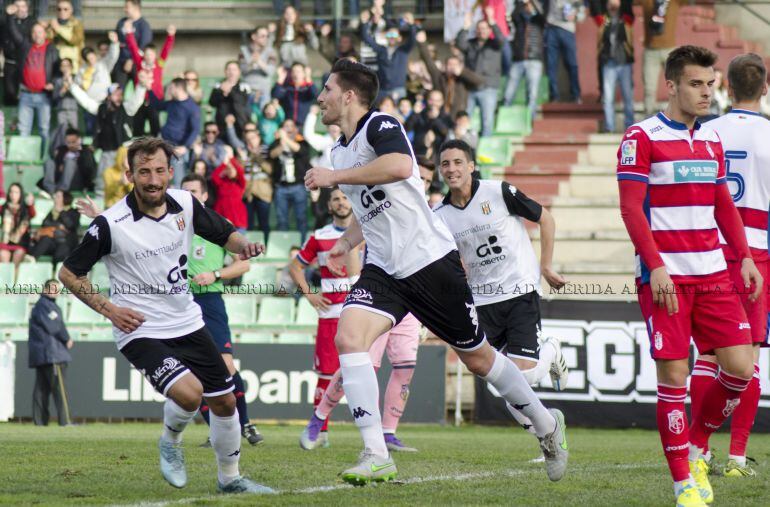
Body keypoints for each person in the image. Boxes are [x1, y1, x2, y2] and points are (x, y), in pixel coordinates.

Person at [305, 58, 568, 485]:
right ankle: (376, 453)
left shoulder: (381, 125)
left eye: (328, 89)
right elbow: (368, 208)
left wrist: (334, 177)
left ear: (349, 95)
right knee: (348, 337)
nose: (321, 97)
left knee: (479, 359)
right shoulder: (338, 149)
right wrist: (347, 242)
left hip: (430, 263)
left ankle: (546, 425)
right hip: (384, 270)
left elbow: (400, 168)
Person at [58, 137, 271, 494]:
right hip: (140, 328)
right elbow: (69, 273)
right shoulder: (110, 223)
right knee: (190, 395)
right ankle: (170, 441)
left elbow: (224, 234)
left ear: (171, 172)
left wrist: (243, 246)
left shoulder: (186, 203)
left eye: (159, 170)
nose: (153, 179)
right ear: (130, 175)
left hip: (187, 319)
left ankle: (230, 479)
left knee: (225, 399)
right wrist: (109, 310)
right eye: (144, 172)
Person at [616, 46, 761, 507]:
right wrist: (655, 265)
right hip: (667, 278)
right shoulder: (642, 137)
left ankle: (698, 442)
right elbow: (630, 209)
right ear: (672, 84)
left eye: (711, 85)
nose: (705, 93)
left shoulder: (711, 140)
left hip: (715, 273)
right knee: (674, 378)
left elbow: (724, 206)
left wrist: (744, 257)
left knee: (740, 368)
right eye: (696, 84)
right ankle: (685, 483)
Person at [434, 139, 570, 429]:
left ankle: (552, 350)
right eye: (445, 163)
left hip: (520, 288)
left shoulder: (498, 191)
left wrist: (545, 266)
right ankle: (547, 436)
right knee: (501, 383)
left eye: (458, 162)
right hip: (482, 301)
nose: (451, 168)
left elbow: (546, 219)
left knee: (527, 375)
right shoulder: (439, 217)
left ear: (471, 166)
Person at [692, 54, 770, 478]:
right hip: (755, 252)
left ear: (726, 86)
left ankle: (698, 449)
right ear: (764, 88)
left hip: (708, 249)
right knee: (750, 356)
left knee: (707, 355)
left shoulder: (706, 130)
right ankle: (738, 458)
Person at [69, 76, 147, 193]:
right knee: (102, 178)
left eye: (120, 94)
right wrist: (72, 86)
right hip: (106, 151)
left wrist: (141, 86)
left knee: (127, 178)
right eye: (116, 94)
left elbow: (136, 100)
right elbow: (86, 102)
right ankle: (101, 199)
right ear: (109, 96)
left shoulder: (126, 108)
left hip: (124, 150)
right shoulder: (101, 109)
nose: (119, 96)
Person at [28, 278, 73, 426]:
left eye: (57, 289)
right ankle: (65, 421)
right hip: (52, 354)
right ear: (46, 289)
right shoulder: (45, 306)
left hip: (43, 355)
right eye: (53, 288)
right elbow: (54, 326)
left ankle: (40, 422)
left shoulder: (42, 306)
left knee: (41, 389)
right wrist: (67, 339)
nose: (56, 292)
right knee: (59, 389)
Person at [10, 19, 57, 154]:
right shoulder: (25, 46)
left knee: (44, 128)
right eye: (34, 32)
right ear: (31, 34)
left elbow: (57, 69)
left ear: (45, 34)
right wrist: (10, 16)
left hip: (43, 95)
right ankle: (24, 157)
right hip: (25, 94)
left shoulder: (51, 49)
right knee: (23, 128)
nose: (37, 35)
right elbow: (14, 33)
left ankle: (45, 157)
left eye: (40, 32)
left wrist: (53, 83)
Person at [456, 7, 504, 137]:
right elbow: (459, 44)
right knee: (465, 119)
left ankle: (485, 150)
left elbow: (501, 38)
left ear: (489, 31)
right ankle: (465, 146)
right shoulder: (471, 44)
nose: (481, 31)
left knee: (487, 121)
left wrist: (492, 21)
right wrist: (465, 27)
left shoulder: (495, 44)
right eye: (479, 28)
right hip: (470, 88)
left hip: (488, 87)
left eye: (485, 28)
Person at [416, 30, 485, 121]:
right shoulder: (439, 77)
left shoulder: (463, 79)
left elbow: (479, 82)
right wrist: (422, 43)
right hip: (441, 116)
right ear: (445, 66)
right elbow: (429, 62)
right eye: (449, 64)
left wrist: (462, 72)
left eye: (455, 65)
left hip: (458, 116)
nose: (452, 67)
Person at [126, 21, 175, 136]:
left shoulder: (159, 64)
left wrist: (171, 36)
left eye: (151, 54)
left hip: (155, 101)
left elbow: (166, 50)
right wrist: (129, 33)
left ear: (154, 55)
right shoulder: (140, 64)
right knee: (138, 128)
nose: (149, 57)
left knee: (155, 127)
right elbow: (133, 48)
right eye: (147, 54)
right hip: (140, 101)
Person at [149, 77, 200, 188]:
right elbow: (156, 105)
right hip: (164, 146)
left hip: (178, 149)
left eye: (171, 88)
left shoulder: (192, 107)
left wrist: (185, 147)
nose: (169, 90)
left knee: (178, 181)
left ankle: (178, 205)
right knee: (162, 180)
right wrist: (149, 89)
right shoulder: (172, 103)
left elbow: (195, 129)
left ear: (177, 88)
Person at [594, 0, 635, 133]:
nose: (613, 4)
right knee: (608, 98)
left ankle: (629, 126)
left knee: (627, 97)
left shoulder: (626, 19)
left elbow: (629, 11)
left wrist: (620, 5)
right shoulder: (603, 21)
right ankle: (609, 127)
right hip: (609, 63)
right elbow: (595, 7)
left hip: (624, 62)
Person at [269, 118, 311, 243]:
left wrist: (285, 138)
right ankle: (284, 245)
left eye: (290, 126)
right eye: (285, 126)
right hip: (281, 187)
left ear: (295, 129)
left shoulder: (302, 141)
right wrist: (282, 141)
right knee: (282, 219)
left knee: (301, 218)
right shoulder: (276, 143)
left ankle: (303, 245)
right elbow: (272, 155)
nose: (288, 128)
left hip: (298, 186)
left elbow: (300, 150)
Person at [360, 11, 416, 102]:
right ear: (386, 37)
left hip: (398, 90)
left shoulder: (403, 50)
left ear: (399, 37)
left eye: (394, 35)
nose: (392, 37)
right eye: (389, 34)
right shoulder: (380, 49)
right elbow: (367, 39)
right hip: (382, 90)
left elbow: (412, 39)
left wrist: (412, 24)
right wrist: (364, 23)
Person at [640, 0, 684, 116]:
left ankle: (678, 117)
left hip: (669, 49)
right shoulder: (648, 2)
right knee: (649, 89)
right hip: (651, 50)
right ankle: (648, 119)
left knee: (676, 86)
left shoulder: (673, 2)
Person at [505, 0, 546, 122]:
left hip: (535, 60)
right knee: (508, 93)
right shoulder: (519, 21)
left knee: (532, 95)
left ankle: (529, 121)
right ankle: (505, 119)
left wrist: (532, 2)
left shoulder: (538, 21)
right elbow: (514, 15)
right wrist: (521, 3)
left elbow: (542, 15)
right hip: (518, 60)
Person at [77, 31, 120, 135]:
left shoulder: (103, 64)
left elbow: (113, 56)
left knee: (107, 128)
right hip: (90, 104)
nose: (91, 60)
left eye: (92, 57)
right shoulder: (82, 70)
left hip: (105, 102)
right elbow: (79, 86)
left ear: (95, 55)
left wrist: (114, 43)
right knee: (91, 129)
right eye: (88, 59)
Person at [543, 0, 585, 103]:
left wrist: (575, 17)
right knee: (551, 64)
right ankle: (554, 95)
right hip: (551, 27)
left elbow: (582, 14)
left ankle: (576, 94)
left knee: (572, 64)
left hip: (568, 30)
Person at [29, 190, 80, 263]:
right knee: (45, 239)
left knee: (60, 252)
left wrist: (61, 212)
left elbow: (72, 226)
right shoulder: (53, 211)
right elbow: (44, 223)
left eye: (58, 196)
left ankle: (55, 271)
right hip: (53, 242)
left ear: (65, 199)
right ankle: (32, 259)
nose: (55, 198)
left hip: (65, 243)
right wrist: (58, 225)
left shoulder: (73, 212)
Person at [42, 128, 96, 194]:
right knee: (49, 162)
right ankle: (50, 190)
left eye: (73, 142)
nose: (71, 145)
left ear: (79, 140)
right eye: (68, 142)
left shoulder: (86, 151)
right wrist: (60, 166)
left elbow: (89, 170)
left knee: (70, 162)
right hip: (60, 179)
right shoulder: (61, 150)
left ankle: (62, 191)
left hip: (77, 181)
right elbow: (56, 168)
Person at [3, 0, 37, 106]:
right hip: (10, 63)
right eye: (17, 6)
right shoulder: (4, 21)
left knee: (26, 93)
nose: (20, 9)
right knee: (10, 93)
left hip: (26, 63)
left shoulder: (32, 22)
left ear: (27, 8)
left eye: (23, 6)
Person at [240, 130, 273, 238]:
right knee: (248, 224)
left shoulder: (266, 150)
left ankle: (266, 248)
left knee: (264, 223)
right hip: (248, 193)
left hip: (263, 192)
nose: (250, 142)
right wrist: (244, 158)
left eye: (253, 138)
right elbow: (239, 171)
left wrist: (256, 156)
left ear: (258, 137)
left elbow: (270, 170)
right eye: (248, 139)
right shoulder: (243, 152)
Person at [210, 61, 252, 140]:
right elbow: (212, 102)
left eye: (234, 69)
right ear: (225, 71)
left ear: (239, 72)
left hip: (240, 124)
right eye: (229, 69)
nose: (231, 72)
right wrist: (222, 93)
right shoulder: (219, 85)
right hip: (222, 124)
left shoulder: (244, 85)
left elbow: (243, 101)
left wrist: (230, 91)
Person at [115, 0, 152, 88]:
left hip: (136, 64)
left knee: (140, 90)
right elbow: (118, 40)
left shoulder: (143, 25)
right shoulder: (121, 22)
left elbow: (144, 47)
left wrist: (131, 60)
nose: (124, 9)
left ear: (136, 8)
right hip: (121, 63)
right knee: (118, 90)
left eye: (127, 7)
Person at [239, 26, 278, 110]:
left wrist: (259, 62)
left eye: (267, 36)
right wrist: (251, 62)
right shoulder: (243, 51)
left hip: (264, 92)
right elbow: (242, 71)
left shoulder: (271, 52)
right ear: (254, 37)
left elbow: (271, 71)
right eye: (262, 36)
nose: (266, 39)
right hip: (247, 92)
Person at [0, 183, 35, 267]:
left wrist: (31, 204)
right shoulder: (4, 207)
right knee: (3, 255)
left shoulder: (26, 208)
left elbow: (33, 214)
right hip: (6, 241)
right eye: (11, 192)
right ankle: (5, 279)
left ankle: (13, 280)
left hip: (21, 242)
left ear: (21, 194)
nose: (13, 195)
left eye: (16, 192)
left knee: (18, 255)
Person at [211, 154, 247, 232]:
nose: (230, 170)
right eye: (228, 168)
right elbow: (214, 177)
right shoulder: (222, 183)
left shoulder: (240, 183)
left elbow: (240, 173)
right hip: (222, 217)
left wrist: (231, 160)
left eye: (232, 168)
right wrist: (224, 164)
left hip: (238, 220)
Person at [46, 0, 83, 72]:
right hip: (55, 63)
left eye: (65, 9)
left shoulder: (77, 24)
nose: (62, 12)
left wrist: (58, 29)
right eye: (59, 9)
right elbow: (47, 41)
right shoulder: (52, 23)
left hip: (72, 66)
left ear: (71, 10)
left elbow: (75, 40)